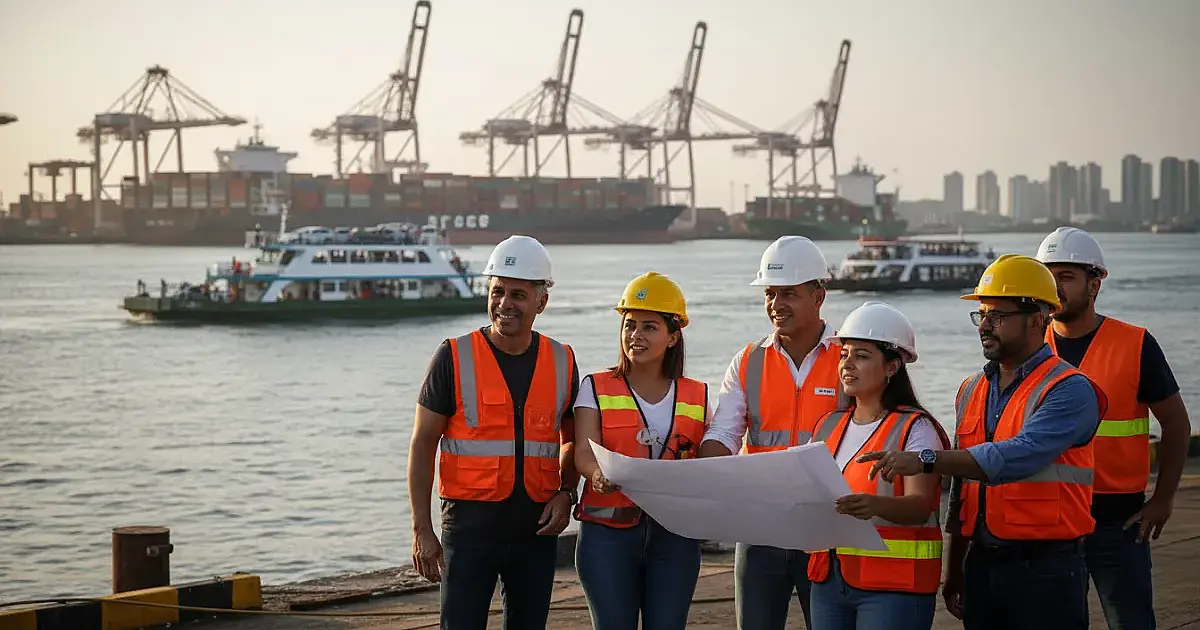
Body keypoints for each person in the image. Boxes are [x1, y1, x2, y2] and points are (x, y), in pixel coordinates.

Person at [858, 253, 1108, 630]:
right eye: (982, 315)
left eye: (998, 316)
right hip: (982, 563)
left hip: (1047, 569)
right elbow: (964, 491)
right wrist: (955, 566)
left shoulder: (1069, 389)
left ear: (1037, 319)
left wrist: (926, 459)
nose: (985, 326)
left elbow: (1019, 455)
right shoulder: (971, 389)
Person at [407, 234, 581, 630]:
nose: (505, 303)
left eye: (518, 295)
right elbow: (422, 445)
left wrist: (566, 492)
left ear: (541, 301)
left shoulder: (562, 360)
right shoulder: (453, 356)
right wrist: (422, 529)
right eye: (497, 291)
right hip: (469, 528)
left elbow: (572, 438)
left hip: (536, 529)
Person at [1037, 227, 1191, 630]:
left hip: (1118, 523)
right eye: (1048, 276)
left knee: (1131, 622)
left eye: (1066, 277)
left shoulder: (1134, 344)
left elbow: (1176, 423)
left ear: (1095, 284)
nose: (1055, 287)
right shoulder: (1030, 346)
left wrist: (1163, 500)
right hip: (1049, 519)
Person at [698, 235, 841, 630]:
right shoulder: (748, 361)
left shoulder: (848, 358)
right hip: (761, 527)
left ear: (818, 296)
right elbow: (725, 433)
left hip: (827, 528)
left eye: (788, 293)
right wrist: (692, 471)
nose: (776, 304)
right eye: (770, 293)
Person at [572, 271, 713, 630]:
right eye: (629, 325)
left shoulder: (698, 395)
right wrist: (596, 474)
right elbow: (583, 453)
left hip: (675, 538)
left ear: (673, 336)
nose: (636, 335)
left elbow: (709, 459)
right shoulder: (595, 387)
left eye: (649, 327)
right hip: (607, 537)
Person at [806, 301, 949, 630]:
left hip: (894, 586)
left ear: (892, 366)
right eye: (844, 354)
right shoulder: (827, 426)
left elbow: (920, 506)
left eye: (861, 356)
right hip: (830, 579)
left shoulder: (916, 429)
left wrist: (874, 505)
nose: (847, 364)